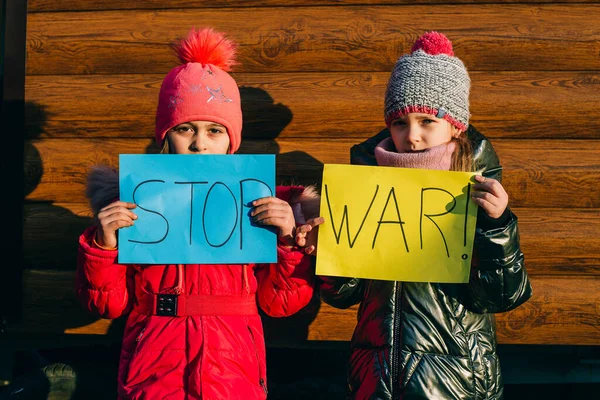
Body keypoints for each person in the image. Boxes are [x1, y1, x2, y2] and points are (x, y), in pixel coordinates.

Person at [75, 27, 318, 400]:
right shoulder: (133, 206)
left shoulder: (259, 207)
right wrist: (103, 246)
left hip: (232, 369)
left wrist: (288, 242)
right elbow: (107, 304)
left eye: (214, 131)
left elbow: (280, 304)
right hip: (153, 367)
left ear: (230, 140)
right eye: (185, 128)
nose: (199, 143)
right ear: (166, 136)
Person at [315, 31, 533, 399]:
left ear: (455, 126)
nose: (412, 136)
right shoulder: (364, 185)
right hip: (377, 375)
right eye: (400, 123)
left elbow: (501, 297)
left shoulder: (476, 192)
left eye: (427, 121)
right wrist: (329, 246)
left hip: (456, 377)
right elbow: (343, 294)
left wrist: (497, 226)